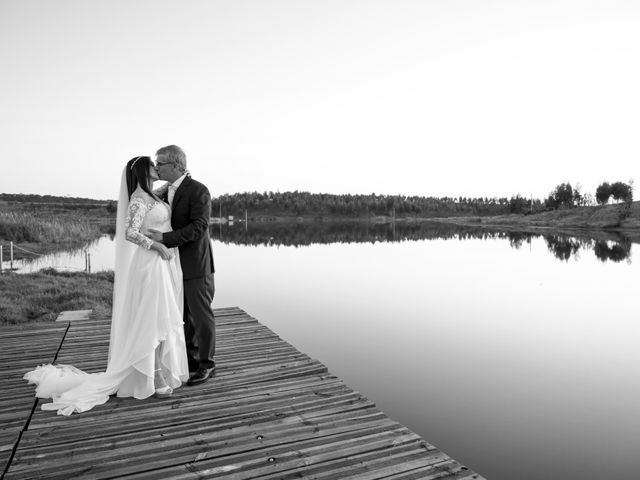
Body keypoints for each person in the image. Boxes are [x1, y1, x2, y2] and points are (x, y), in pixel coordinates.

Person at [23, 156, 189, 415]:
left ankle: (159, 368)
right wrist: (157, 245)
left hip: (163, 264)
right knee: (151, 320)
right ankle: (153, 374)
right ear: (143, 171)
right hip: (149, 263)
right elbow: (130, 233)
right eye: (152, 165)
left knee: (162, 317)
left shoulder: (154, 196)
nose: (157, 168)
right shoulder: (138, 198)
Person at [149, 145, 216, 386]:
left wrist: (164, 239)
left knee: (200, 315)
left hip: (196, 264)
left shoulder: (198, 190)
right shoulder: (162, 191)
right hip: (171, 265)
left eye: (161, 163)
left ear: (177, 165)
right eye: (156, 164)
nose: (156, 167)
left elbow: (199, 227)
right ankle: (190, 359)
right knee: (181, 315)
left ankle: (207, 364)